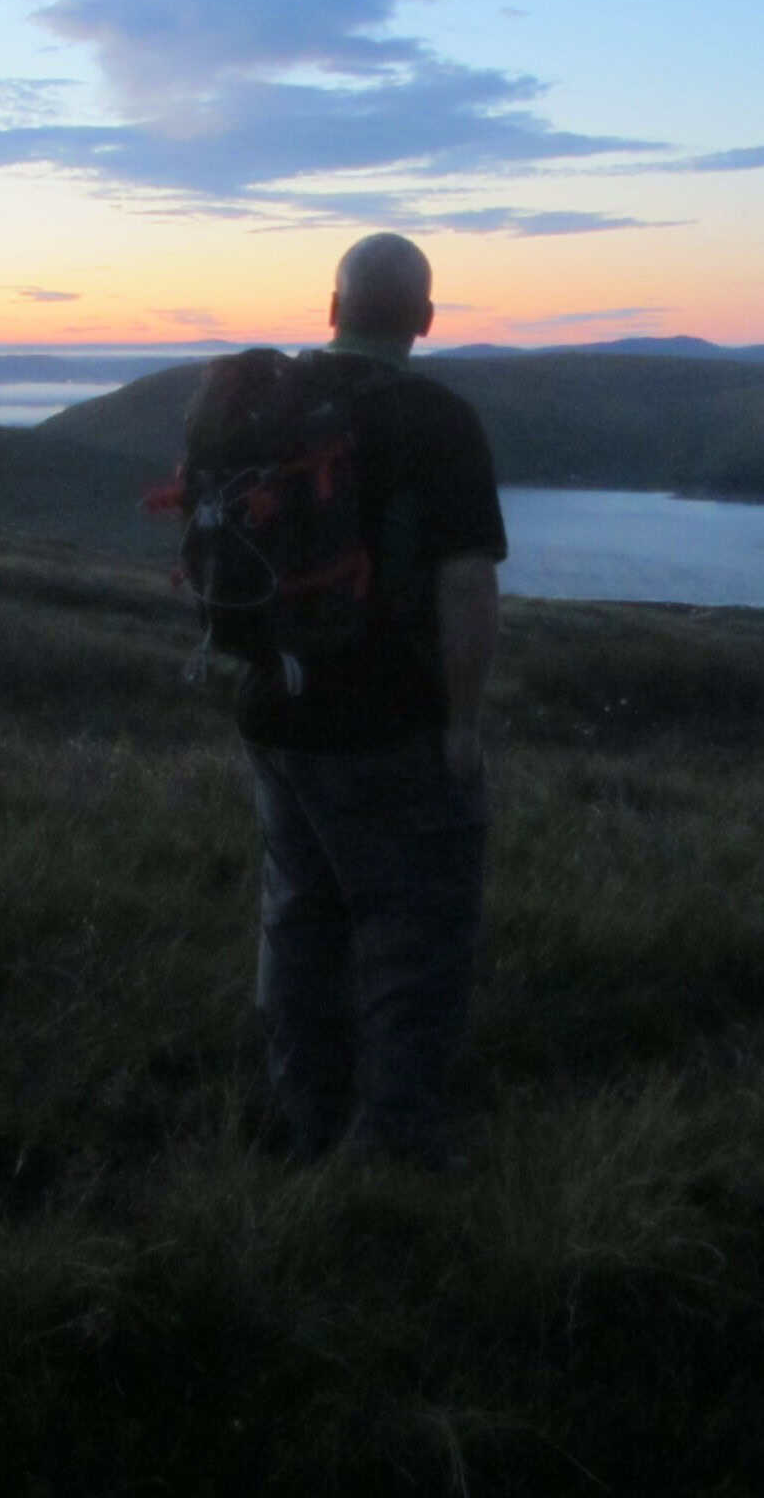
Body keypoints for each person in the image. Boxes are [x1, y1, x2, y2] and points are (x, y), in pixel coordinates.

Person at [237, 232, 507, 1170]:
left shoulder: (268, 408)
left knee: (300, 915)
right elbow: (467, 585)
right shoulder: (440, 421)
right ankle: (392, 1148)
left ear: (331, 308)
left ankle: (301, 1116)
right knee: (413, 929)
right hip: (389, 723)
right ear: (425, 320)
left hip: (273, 713)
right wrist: (462, 726)